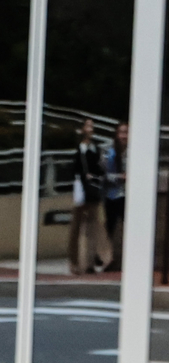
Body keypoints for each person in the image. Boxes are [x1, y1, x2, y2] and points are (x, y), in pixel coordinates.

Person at [70, 118, 110, 276]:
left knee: (93, 227)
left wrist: (95, 174)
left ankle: (91, 262)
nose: (91, 129)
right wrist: (82, 175)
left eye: (92, 127)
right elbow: (74, 168)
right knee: (77, 227)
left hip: (92, 191)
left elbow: (100, 169)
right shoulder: (79, 149)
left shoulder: (95, 148)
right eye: (88, 126)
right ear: (82, 130)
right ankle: (74, 262)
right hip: (81, 190)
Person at [104, 121, 131, 274]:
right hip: (113, 195)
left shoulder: (132, 151)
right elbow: (106, 175)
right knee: (110, 228)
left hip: (127, 195)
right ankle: (108, 259)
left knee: (129, 228)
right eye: (121, 132)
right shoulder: (111, 152)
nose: (124, 136)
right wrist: (120, 177)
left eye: (126, 132)